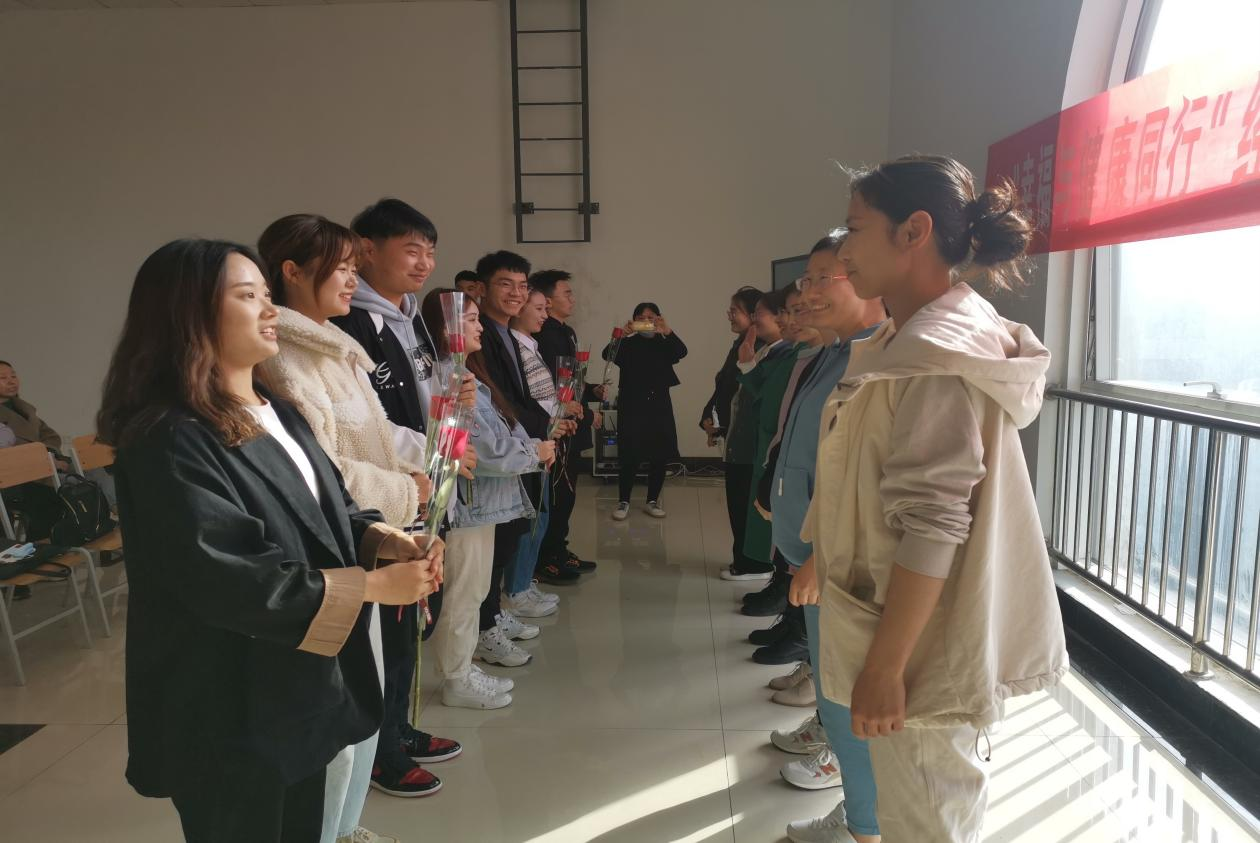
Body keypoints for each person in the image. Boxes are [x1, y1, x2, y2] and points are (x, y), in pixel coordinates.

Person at [96, 239, 441, 842]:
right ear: (188, 313)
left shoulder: (275, 409)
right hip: (225, 700)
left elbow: (328, 510)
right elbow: (227, 577)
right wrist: (373, 588)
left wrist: (387, 541)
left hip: (296, 689)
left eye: (265, 293)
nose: (269, 309)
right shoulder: (169, 438)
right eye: (246, 295)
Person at [801, 155, 1068, 841]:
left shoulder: (934, 357)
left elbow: (933, 522)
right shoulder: (923, 336)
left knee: (926, 818)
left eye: (856, 227)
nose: (843, 249)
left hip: (919, 647)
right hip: (913, 627)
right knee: (930, 809)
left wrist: (887, 666)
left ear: (913, 231)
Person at [255, 213, 440, 842]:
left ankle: (347, 823)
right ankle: (328, 828)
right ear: (291, 272)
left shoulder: (336, 349)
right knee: (337, 708)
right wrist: (402, 489)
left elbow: (378, 434)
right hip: (333, 552)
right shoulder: (285, 359)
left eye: (353, 268)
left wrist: (423, 465)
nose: (351, 279)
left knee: (369, 692)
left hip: (366, 536)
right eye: (341, 267)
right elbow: (321, 468)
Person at [328, 199, 466, 798]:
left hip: (424, 483)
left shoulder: (408, 319)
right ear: (366, 249)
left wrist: (452, 432)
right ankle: (381, 750)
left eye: (430, 251)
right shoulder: (352, 324)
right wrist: (434, 453)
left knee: (409, 621)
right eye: (412, 249)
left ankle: (399, 727)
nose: (424, 263)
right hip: (385, 495)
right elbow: (368, 427)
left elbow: (429, 398)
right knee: (385, 629)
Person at [755, 232, 886, 842]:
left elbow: (864, 481)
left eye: (820, 278)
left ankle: (864, 824)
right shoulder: (834, 353)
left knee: (847, 699)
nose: (805, 293)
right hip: (812, 556)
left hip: (836, 565)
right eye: (804, 280)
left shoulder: (877, 358)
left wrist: (820, 557)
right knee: (833, 690)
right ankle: (860, 813)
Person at [421, 288, 556, 708]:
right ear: (446, 326)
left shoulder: (466, 375)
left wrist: (531, 445)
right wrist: (533, 452)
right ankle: (455, 679)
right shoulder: (447, 377)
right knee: (462, 594)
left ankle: (461, 667)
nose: (479, 326)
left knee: (475, 590)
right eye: (470, 319)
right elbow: (481, 448)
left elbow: (499, 430)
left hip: (483, 503)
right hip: (467, 503)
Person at [472, 250, 572, 666]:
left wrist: (544, 430)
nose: (516, 293)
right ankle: (484, 627)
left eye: (522, 285)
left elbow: (521, 398)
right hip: (501, 449)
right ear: (481, 289)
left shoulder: (507, 334)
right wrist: (540, 431)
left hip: (522, 445)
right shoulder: (484, 334)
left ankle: (493, 615)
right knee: (497, 542)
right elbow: (501, 402)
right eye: (505, 284)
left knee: (512, 532)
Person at [529, 270, 603, 580]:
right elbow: (550, 388)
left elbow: (571, 381)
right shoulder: (544, 335)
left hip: (571, 419)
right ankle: (547, 556)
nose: (573, 298)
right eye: (567, 293)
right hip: (557, 423)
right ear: (547, 300)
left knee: (567, 493)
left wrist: (590, 393)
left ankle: (559, 548)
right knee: (558, 493)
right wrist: (574, 408)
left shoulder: (566, 331)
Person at [700, 288, 766, 579]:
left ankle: (754, 564)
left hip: (750, 441)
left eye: (735, 310)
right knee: (737, 502)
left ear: (753, 315)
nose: (730, 315)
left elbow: (750, 394)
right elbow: (724, 387)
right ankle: (743, 560)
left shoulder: (761, 349)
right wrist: (710, 417)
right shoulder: (740, 345)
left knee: (745, 504)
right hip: (736, 437)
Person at [602, 303, 687, 520]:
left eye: (651, 317)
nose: (646, 321)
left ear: (659, 318)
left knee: (659, 454)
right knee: (629, 454)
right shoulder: (628, 344)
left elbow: (682, 351)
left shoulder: (663, 342)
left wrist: (667, 330)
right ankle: (623, 501)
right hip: (632, 404)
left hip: (659, 405)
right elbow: (607, 354)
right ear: (634, 321)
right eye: (641, 317)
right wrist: (621, 334)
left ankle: (652, 501)